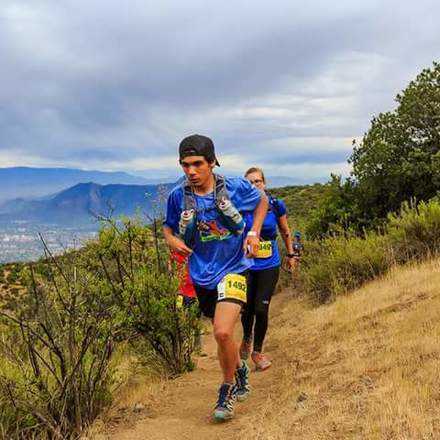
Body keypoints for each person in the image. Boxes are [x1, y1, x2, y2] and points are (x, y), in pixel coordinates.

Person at [163, 134, 268, 422]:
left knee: (222, 332)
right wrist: (172, 242)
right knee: (223, 338)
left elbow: (262, 201)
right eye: (185, 165)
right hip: (201, 274)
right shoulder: (178, 196)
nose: (191, 171)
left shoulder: (233, 187)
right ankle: (240, 368)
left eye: (197, 164)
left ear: (212, 162)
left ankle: (227, 389)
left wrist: (254, 231)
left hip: (235, 267)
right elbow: (168, 229)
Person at [240, 167, 296, 371]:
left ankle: (257, 352)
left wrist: (291, 255)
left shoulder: (276, 205)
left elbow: (285, 231)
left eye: (258, 182)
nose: (254, 186)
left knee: (261, 308)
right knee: (246, 308)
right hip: (245, 266)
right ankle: (246, 335)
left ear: (264, 183)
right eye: (250, 183)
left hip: (269, 264)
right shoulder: (240, 206)